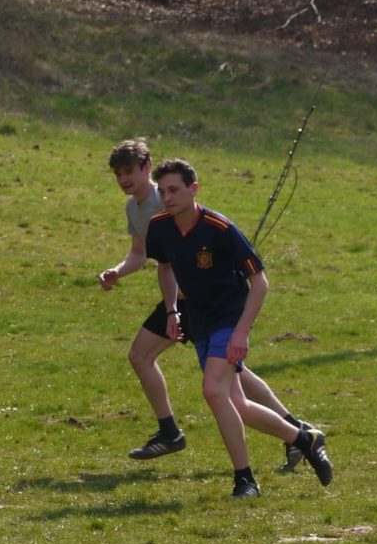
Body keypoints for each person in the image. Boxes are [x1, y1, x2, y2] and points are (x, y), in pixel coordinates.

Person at [100, 138, 312, 471]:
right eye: (118, 174)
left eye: (129, 171)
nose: (124, 179)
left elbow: (197, 242)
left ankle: (174, 433)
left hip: (198, 302)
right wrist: (117, 271)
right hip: (179, 300)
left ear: (146, 168)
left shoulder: (164, 199)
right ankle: (296, 432)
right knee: (231, 376)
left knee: (158, 361)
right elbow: (142, 255)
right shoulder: (135, 208)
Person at [143, 158, 332, 499]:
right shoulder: (159, 227)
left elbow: (260, 282)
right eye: (162, 191)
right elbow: (165, 267)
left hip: (229, 318)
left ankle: (245, 480)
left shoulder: (220, 228)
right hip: (199, 321)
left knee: (213, 392)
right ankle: (304, 438)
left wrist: (241, 332)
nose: (167, 197)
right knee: (237, 404)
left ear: (193, 189)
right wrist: (172, 311)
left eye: (174, 190)